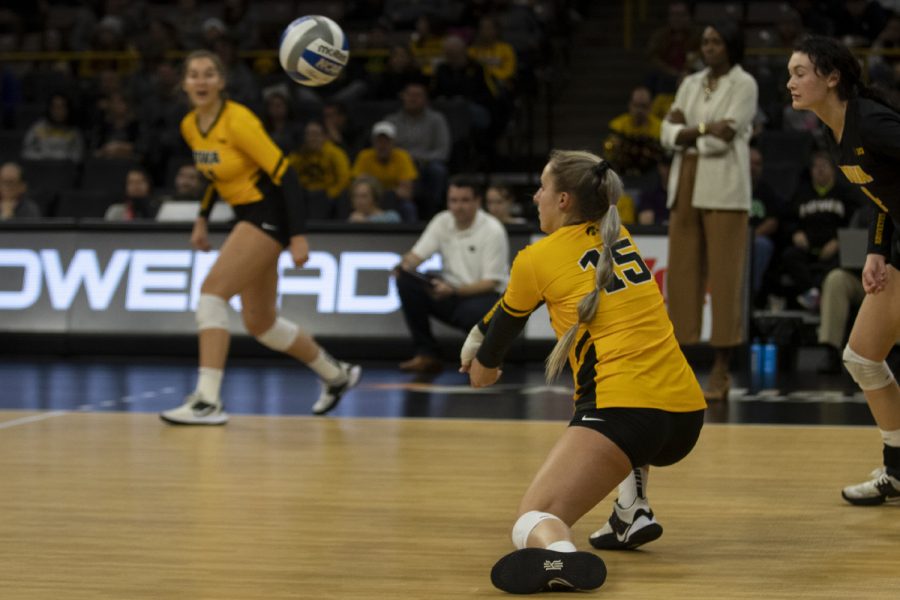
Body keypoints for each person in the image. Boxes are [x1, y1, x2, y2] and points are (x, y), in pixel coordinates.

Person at [460, 150, 706, 594]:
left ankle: (564, 558)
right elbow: (514, 307)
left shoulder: (537, 258)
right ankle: (631, 513)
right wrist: (480, 330)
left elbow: (505, 330)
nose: (535, 196)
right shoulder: (619, 236)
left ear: (565, 200)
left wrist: (482, 363)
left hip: (625, 416)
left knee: (531, 519)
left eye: (542, 188)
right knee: (626, 415)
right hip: (685, 416)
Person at [159, 50, 360, 425]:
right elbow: (213, 175)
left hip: (270, 213)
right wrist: (201, 218)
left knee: (211, 294)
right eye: (193, 75)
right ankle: (337, 375)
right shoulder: (190, 125)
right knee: (261, 324)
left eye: (208, 74)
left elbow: (287, 174)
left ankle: (207, 401)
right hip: (249, 215)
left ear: (221, 82)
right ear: (184, 84)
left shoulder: (239, 121)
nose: (201, 81)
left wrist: (298, 235)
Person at [787, 35, 900, 504]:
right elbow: (884, 195)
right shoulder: (836, 132)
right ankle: (898, 470)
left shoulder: (873, 123)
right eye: (789, 72)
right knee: (862, 357)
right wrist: (877, 249)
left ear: (832, 77)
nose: (789, 82)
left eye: (800, 73)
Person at [660, 21, 758, 402]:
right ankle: (680, 365)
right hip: (684, 182)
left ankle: (721, 368)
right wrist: (702, 130)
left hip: (725, 189)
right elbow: (665, 135)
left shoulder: (744, 83)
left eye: (716, 42)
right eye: (705, 42)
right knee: (682, 278)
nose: (709, 48)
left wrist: (687, 133)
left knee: (724, 278)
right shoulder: (690, 83)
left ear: (731, 46)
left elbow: (727, 137)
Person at [394, 175, 509, 373]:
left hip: (486, 297)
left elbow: (491, 282)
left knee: (472, 312)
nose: (458, 206)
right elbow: (417, 255)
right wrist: (404, 265)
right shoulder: (442, 221)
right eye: (453, 200)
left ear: (477, 201)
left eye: (464, 200)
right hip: (450, 293)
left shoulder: (493, 230)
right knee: (406, 282)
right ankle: (426, 354)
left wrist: (454, 290)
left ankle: (487, 357)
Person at [780, 150, 859, 311]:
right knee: (789, 255)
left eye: (824, 166)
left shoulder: (845, 193)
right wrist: (796, 233)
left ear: (833, 169)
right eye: (815, 167)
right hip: (807, 248)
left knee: (839, 262)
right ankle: (814, 293)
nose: (820, 170)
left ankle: (815, 296)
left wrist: (839, 241)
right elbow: (787, 219)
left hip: (833, 248)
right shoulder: (801, 193)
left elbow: (855, 222)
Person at [351, 121, 419, 221]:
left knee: (408, 207)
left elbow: (406, 192)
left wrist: (387, 194)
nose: (382, 145)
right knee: (359, 198)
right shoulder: (364, 157)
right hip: (370, 197)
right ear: (373, 143)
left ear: (393, 143)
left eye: (386, 141)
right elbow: (358, 185)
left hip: (393, 200)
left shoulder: (402, 157)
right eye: (379, 141)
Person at [602, 86, 663, 180]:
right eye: (636, 105)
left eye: (644, 106)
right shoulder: (617, 125)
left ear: (651, 106)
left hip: (651, 176)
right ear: (630, 105)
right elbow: (609, 154)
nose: (639, 110)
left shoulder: (659, 127)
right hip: (623, 175)